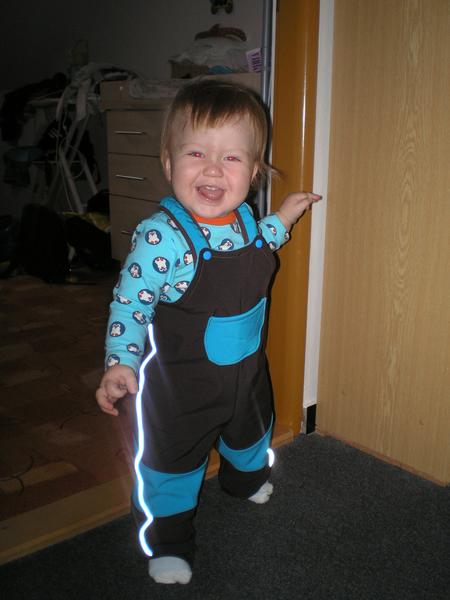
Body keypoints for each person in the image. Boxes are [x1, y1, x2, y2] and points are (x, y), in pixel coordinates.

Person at [96, 79, 321, 585]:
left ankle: (245, 482)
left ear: (254, 172)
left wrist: (285, 216)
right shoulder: (162, 237)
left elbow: (261, 242)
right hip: (181, 389)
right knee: (170, 464)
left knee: (251, 435)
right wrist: (120, 360)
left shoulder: (244, 219)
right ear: (169, 162)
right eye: (196, 153)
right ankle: (168, 542)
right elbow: (130, 304)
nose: (213, 168)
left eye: (232, 157)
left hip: (246, 375)